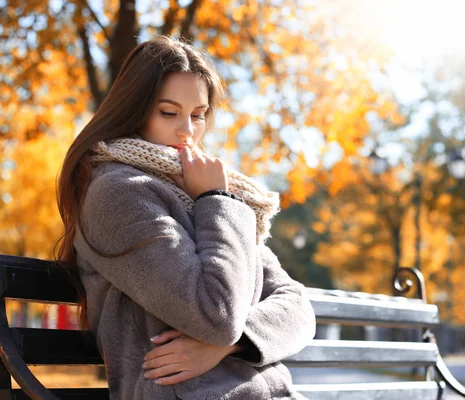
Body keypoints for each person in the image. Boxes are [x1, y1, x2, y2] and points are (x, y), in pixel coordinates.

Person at [56, 35, 316, 400]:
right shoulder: (117, 193)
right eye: (168, 112)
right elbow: (217, 315)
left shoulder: (200, 191)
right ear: (134, 110)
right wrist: (215, 198)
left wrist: (231, 346)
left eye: (198, 115)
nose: (187, 131)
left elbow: (297, 306)